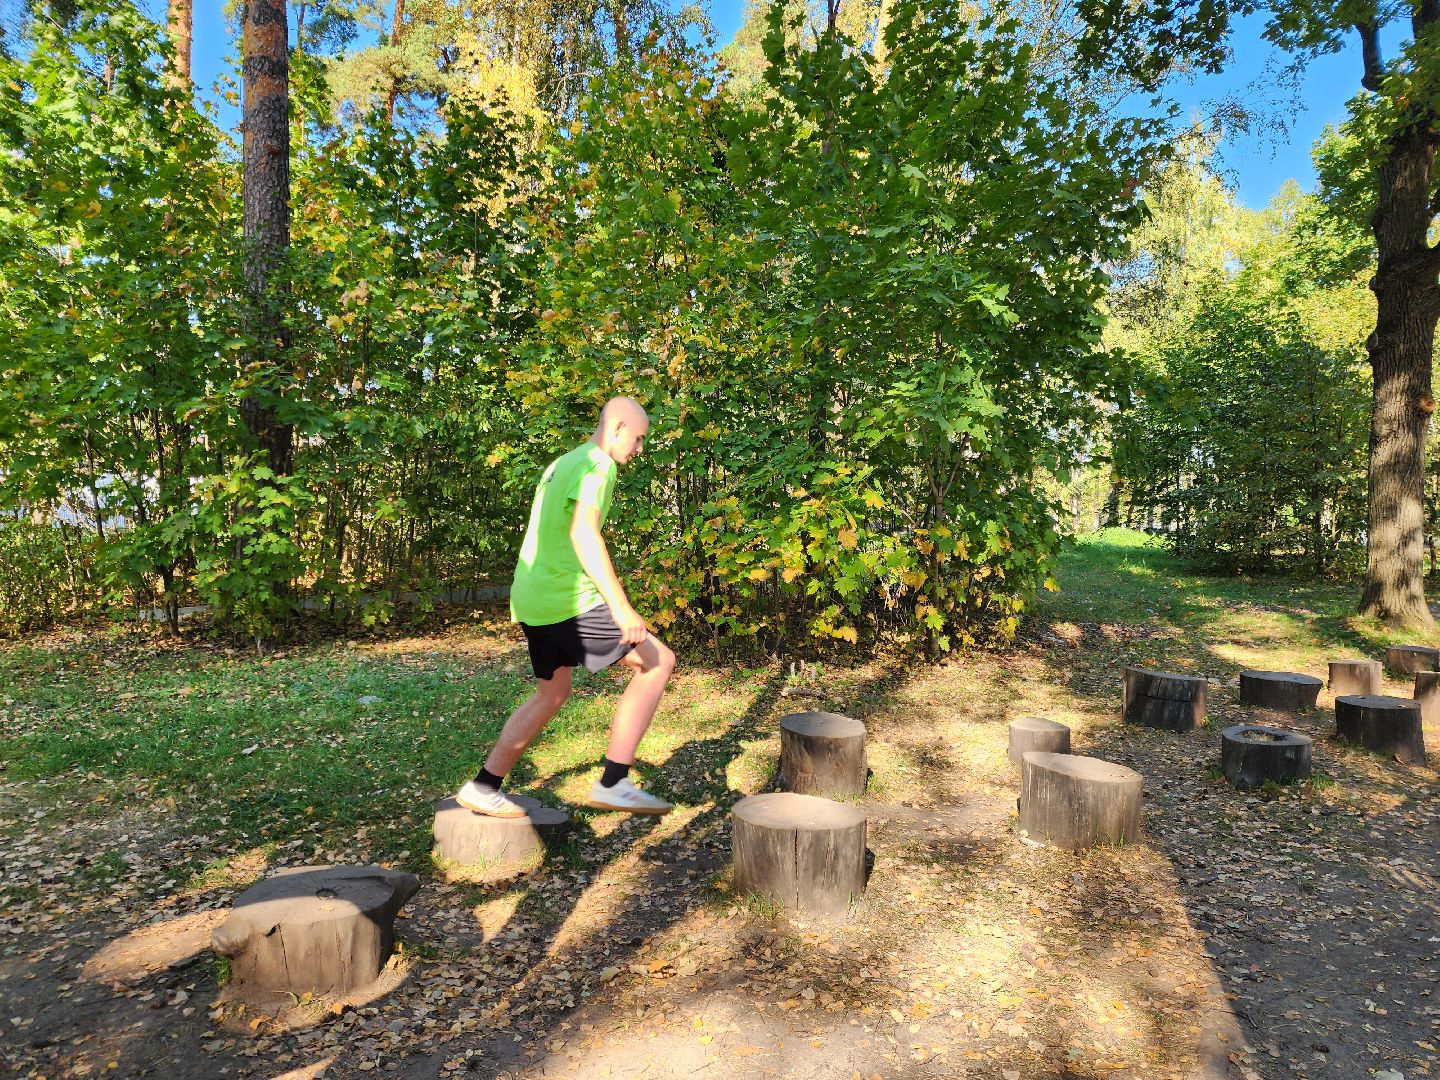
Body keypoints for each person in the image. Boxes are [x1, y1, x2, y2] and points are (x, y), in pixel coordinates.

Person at [456, 396, 676, 817]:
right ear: (617, 428)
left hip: (532, 596)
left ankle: (484, 786)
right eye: (638, 438)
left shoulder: (564, 462)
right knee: (657, 662)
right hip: (565, 598)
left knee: (552, 693)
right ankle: (614, 783)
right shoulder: (599, 464)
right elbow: (583, 533)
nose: (639, 448)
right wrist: (621, 607)